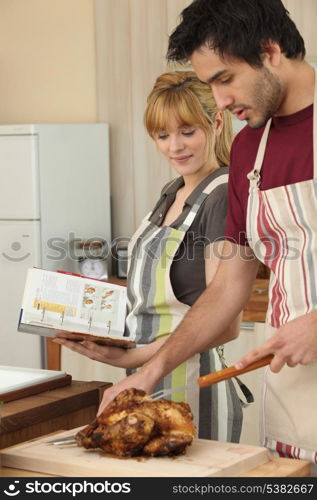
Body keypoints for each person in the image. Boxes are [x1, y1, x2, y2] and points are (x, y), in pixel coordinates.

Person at [90, 0, 317, 472]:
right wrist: (148, 373)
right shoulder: (251, 147)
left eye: (225, 79)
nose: (220, 102)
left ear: (270, 51)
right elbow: (227, 287)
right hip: (296, 388)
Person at [54, 70, 246, 442]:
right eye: (163, 135)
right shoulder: (171, 191)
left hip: (193, 388)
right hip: (147, 384)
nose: (175, 146)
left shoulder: (222, 195)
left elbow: (226, 325)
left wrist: (135, 360)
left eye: (188, 131)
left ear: (217, 123)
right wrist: (103, 333)